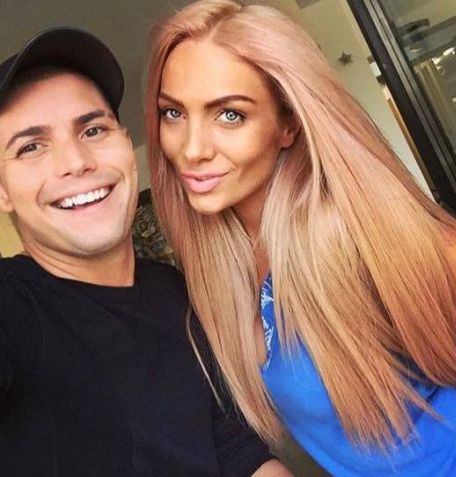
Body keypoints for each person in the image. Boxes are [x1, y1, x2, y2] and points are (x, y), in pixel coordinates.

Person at [144, 1, 456, 475]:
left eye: (230, 115)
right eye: (173, 113)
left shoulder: (355, 228)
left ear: (288, 125)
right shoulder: (224, 265)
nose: (192, 148)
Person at [0, 27, 291, 476]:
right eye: (31, 147)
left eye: (93, 129)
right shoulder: (13, 306)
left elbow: (236, 451)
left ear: (125, 142)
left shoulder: (172, 288)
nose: (76, 162)